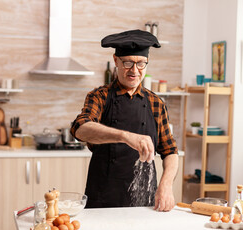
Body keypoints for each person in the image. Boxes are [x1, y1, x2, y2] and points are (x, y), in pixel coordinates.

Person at [70, 29, 179, 212]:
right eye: (128, 63)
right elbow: (80, 128)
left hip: (145, 201)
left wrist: (166, 185)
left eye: (141, 64)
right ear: (116, 61)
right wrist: (126, 136)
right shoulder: (100, 96)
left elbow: (170, 151)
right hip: (103, 200)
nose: (134, 70)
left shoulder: (156, 103)